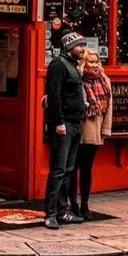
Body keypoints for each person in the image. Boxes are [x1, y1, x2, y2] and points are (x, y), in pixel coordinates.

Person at [43, 30, 88, 230]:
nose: (83, 50)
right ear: (69, 47)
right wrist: (59, 122)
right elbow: (54, 96)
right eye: (80, 46)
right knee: (59, 170)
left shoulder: (73, 66)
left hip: (75, 122)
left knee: (68, 170)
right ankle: (50, 213)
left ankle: (63, 211)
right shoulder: (59, 65)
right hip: (64, 125)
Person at [71, 49, 112, 220]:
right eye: (91, 62)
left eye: (96, 62)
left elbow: (109, 107)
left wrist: (106, 130)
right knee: (72, 169)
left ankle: (85, 204)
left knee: (87, 169)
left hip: (95, 131)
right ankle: (72, 204)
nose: (94, 65)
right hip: (79, 130)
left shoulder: (105, 80)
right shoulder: (78, 80)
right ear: (84, 63)